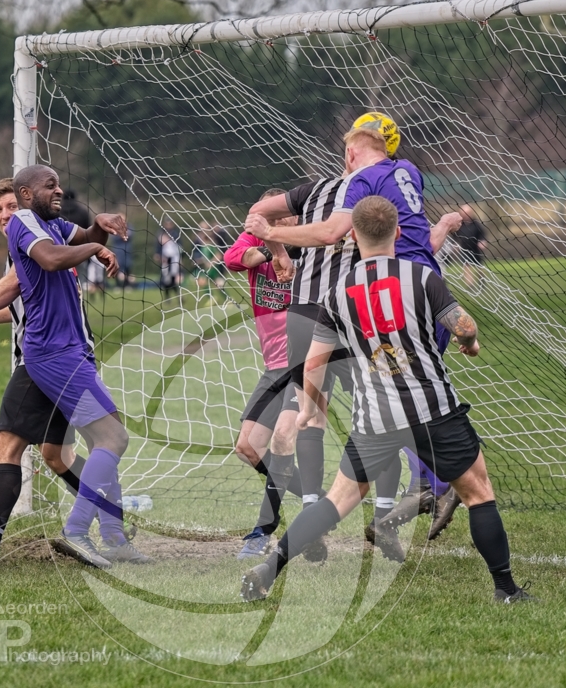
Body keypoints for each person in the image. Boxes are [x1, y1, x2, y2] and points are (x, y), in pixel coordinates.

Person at [241, 196, 533, 604]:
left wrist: (308, 409)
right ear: (398, 232)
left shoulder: (337, 294)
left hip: (374, 417)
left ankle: (269, 570)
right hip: (433, 408)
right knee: (478, 492)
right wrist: (471, 342)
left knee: (337, 501)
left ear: (354, 236)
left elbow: (314, 364)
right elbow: (463, 324)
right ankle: (505, 589)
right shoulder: (420, 276)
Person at [244, 121, 462, 559]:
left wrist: (272, 238)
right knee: (390, 402)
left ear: (349, 152)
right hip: (408, 293)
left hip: (365, 309)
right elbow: (416, 240)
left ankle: (429, 485)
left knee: (346, 411)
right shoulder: (407, 174)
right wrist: (446, 224)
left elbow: (319, 230)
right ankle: (407, 499)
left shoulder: (354, 185)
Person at [0, 178, 138, 565]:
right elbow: (16, 290)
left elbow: (18, 290)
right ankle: (93, 532)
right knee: (71, 448)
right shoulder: (30, 236)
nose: (6, 216)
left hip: (53, 357)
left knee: (52, 452)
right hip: (51, 357)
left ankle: (105, 532)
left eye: (10, 206)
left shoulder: (35, 230)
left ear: (25, 202)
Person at [3, 164, 151, 568]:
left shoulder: (52, 224)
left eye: (59, 183)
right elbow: (51, 260)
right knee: (113, 438)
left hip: (69, 351)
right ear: (27, 193)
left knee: (107, 437)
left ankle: (115, 537)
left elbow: (84, 238)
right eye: (50, 185)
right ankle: (76, 531)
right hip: (54, 353)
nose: (59, 190)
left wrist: (99, 229)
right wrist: (94, 249)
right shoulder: (22, 221)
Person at [224, 189, 305, 559]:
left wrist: (279, 244)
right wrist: (269, 246)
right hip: (274, 366)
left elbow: (297, 254)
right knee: (247, 447)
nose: (278, 222)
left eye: (282, 216)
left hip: (308, 361)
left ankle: (262, 531)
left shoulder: (311, 243)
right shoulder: (260, 242)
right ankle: (315, 499)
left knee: (283, 441)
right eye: (270, 218)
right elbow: (232, 257)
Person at [454, 204, 487, 288]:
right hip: (464, 249)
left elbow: (482, 234)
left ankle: (482, 281)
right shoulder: (459, 224)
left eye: (467, 213)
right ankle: (470, 285)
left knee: (479, 266)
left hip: (475, 248)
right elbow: (455, 235)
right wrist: (456, 244)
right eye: (464, 213)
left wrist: (482, 241)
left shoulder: (476, 224)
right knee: (467, 266)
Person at [157, 231, 182, 302]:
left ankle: (169, 298)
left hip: (170, 267)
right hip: (172, 267)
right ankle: (175, 298)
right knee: (170, 283)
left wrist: (161, 259)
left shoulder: (169, 245)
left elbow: (169, 257)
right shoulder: (171, 244)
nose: (160, 241)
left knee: (168, 283)